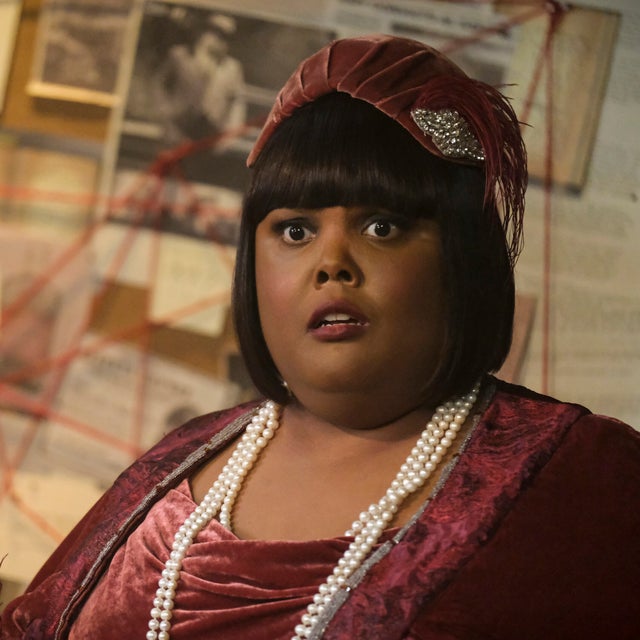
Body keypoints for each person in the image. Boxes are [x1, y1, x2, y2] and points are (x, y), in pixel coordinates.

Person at [2, 34, 640, 640]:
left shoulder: (585, 478)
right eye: (296, 231)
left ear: (464, 256)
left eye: (382, 227)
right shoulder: (181, 459)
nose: (332, 263)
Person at [155, 13, 246, 144]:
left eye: (225, 37)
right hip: (177, 128)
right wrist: (166, 113)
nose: (218, 40)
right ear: (202, 32)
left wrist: (229, 136)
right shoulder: (180, 56)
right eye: (214, 33)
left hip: (210, 134)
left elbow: (237, 104)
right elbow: (159, 85)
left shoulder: (231, 68)